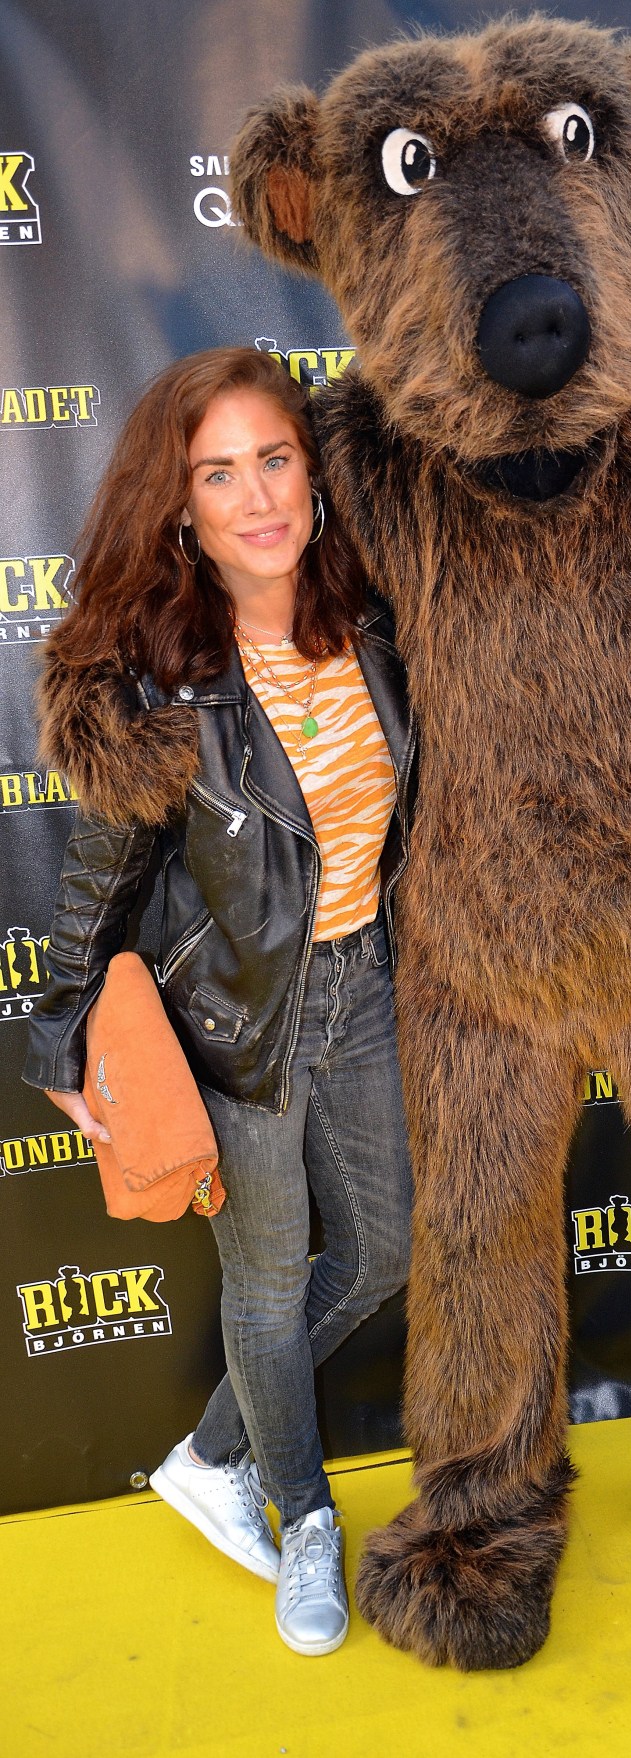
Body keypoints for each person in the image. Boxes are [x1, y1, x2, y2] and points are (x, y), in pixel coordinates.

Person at [24, 346, 416, 1658]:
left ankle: (209, 1451)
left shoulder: (370, 623)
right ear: (181, 505)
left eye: (275, 460)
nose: (258, 498)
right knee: (264, 1282)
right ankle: (304, 1515)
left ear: (313, 471)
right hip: (235, 1021)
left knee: (383, 1254)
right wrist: (60, 1034)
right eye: (219, 473)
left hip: (364, 986)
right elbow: (102, 874)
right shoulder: (165, 676)